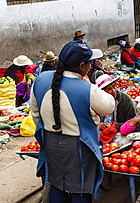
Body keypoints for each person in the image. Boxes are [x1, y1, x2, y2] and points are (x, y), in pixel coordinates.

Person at [30, 40, 115, 202]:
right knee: (81, 187)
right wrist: (88, 83)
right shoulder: (87, 89)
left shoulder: (40, 80)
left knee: (57, 183)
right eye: (90, 64)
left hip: (50, 141)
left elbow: (35, 114)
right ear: (82, 66)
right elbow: (108, 107)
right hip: (79, 145)